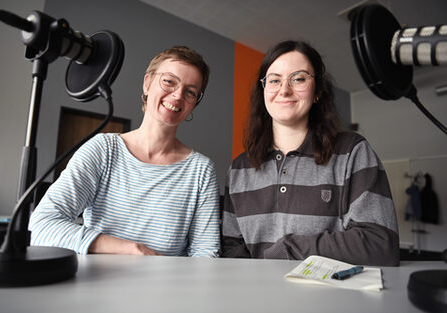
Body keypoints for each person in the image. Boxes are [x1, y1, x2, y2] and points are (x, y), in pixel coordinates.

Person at [29, 46, 220, 257]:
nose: (177, 95)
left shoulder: (201, 170)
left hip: (166, 288)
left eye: (190, 92)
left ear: (194, 104)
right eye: (169, 81)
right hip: (97, 284)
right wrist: (131, 249)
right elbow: (41, 226)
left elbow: (206, 253)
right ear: (147, 83)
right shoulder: (103, 150)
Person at [221, 40, 399, 266]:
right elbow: (231, 250)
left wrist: (288, 250)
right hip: (258, 298)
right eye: (274, 80)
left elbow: (380, 244)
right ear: (264, 91)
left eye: (298, 78)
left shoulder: (352, 152)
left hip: (330, 298)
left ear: (317, 92)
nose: (284, 90)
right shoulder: (239, 169)